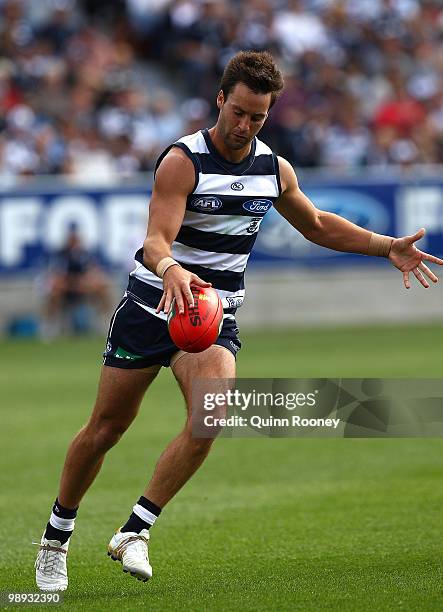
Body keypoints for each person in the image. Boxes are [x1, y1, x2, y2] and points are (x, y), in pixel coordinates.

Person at [35, 50, 443, 591]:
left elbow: (317, 223)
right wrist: (172, 268)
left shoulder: (273, 169)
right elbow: (155, 239)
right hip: (152, 305)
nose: (245, 125)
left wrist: (386, 245)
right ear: (221, 100)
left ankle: (136, 530)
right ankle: (55, 538)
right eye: (239, 112)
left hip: (212, 315)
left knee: (211, 415)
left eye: (258, 117)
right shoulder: (184, 160)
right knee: (106, 429)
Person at [43, 225, 112, 336]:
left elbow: (92, 271)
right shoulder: (61, 255)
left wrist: (85, 282)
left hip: (81, 286)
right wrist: (74, 282)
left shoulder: (84, 255)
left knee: (102, 287)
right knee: (55, 291)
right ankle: (51, 325)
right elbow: (57, 275)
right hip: (66, 288)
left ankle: (105, 321)